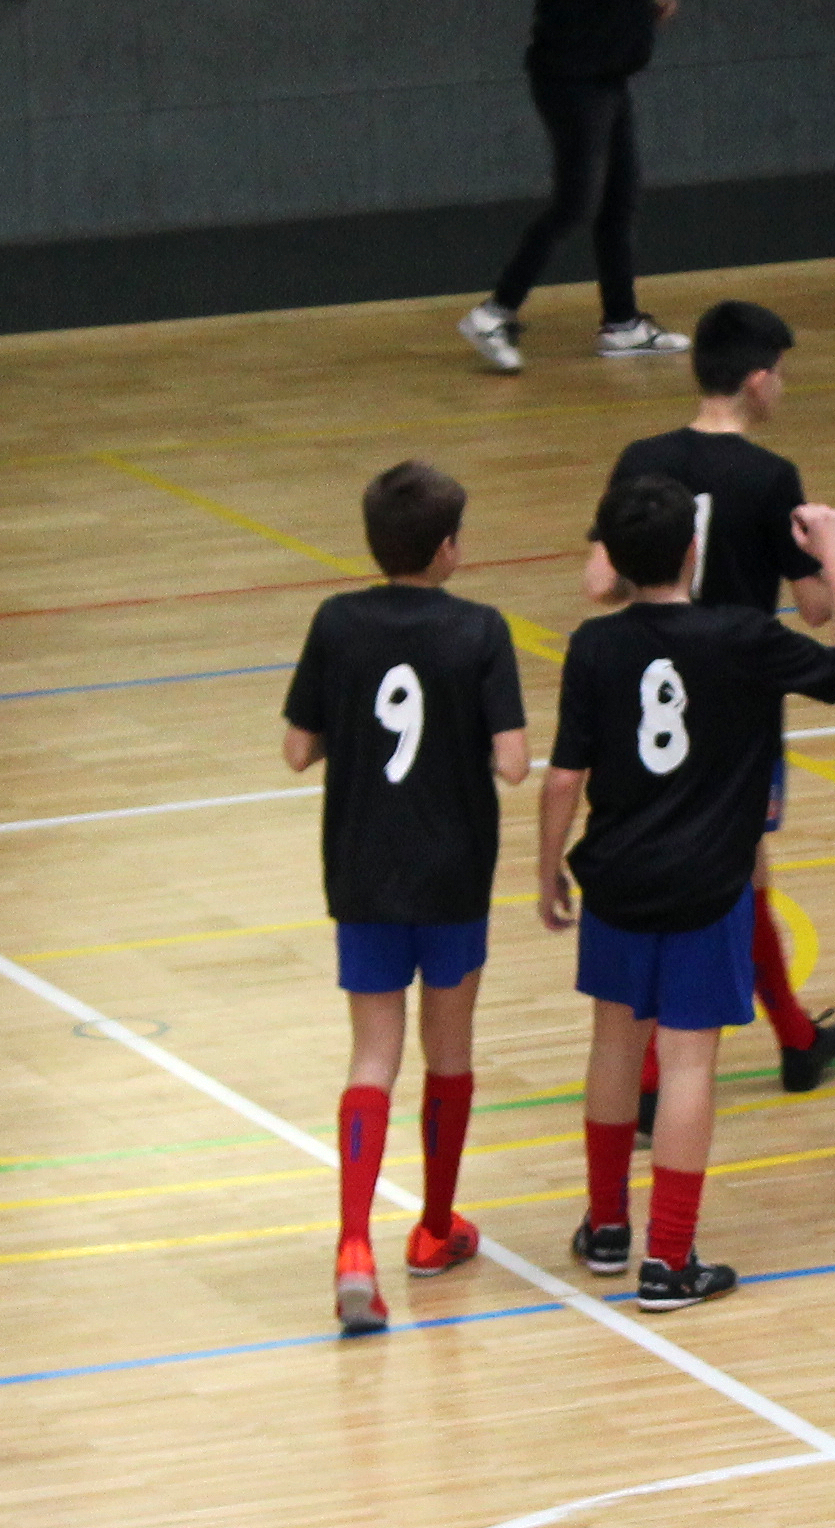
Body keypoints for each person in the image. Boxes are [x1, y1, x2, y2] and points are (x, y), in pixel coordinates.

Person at [540, 476, 835, 1311]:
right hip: (708, 882)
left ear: (612, 560)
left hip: (615, 876)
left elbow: (564, 777)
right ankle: (669, 1261)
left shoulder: (592, 646)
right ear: (694, 549)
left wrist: (545, 867)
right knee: (688, 1061)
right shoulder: (744, 635)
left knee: (616, 1046)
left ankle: (608, 1228)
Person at [586, 300, 835, 1126]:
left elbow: (600, 584)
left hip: (649, 700)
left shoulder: (641, 457)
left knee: (713, 876)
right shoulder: (770, 476)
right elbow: (815, 611)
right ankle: (775, 1041)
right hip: (740, 703)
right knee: (737, 874)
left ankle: (786, 1036)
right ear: (756, 379)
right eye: (781, 372)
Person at [281, 462, 530, 1335]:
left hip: (362, 869)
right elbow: (512, 762)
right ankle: (431, 1231)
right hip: (454, 871)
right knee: (448, 1054)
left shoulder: (336, 623)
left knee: (372, 1056)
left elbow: (297, 749)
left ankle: (354, 1247)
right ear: (448, 547)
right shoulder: (481, 630)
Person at [459, 0, 690, 372]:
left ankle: (622, 323)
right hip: (573, 79)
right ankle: (494, 314)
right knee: (575, 203)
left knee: (619, 200)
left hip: (606, 75)